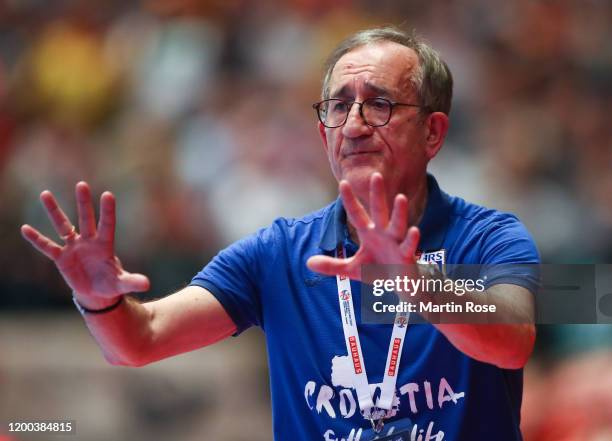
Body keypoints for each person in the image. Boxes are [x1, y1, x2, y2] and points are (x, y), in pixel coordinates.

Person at [21, 27, 539, 441]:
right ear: (323, 134)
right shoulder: (280, 253)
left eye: (379, 104)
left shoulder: (490, 238)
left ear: (433, 132)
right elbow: (139, 341)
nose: (354, 124)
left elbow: (513, 341)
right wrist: (96, 300)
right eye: (338, 106)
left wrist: (412, 279)